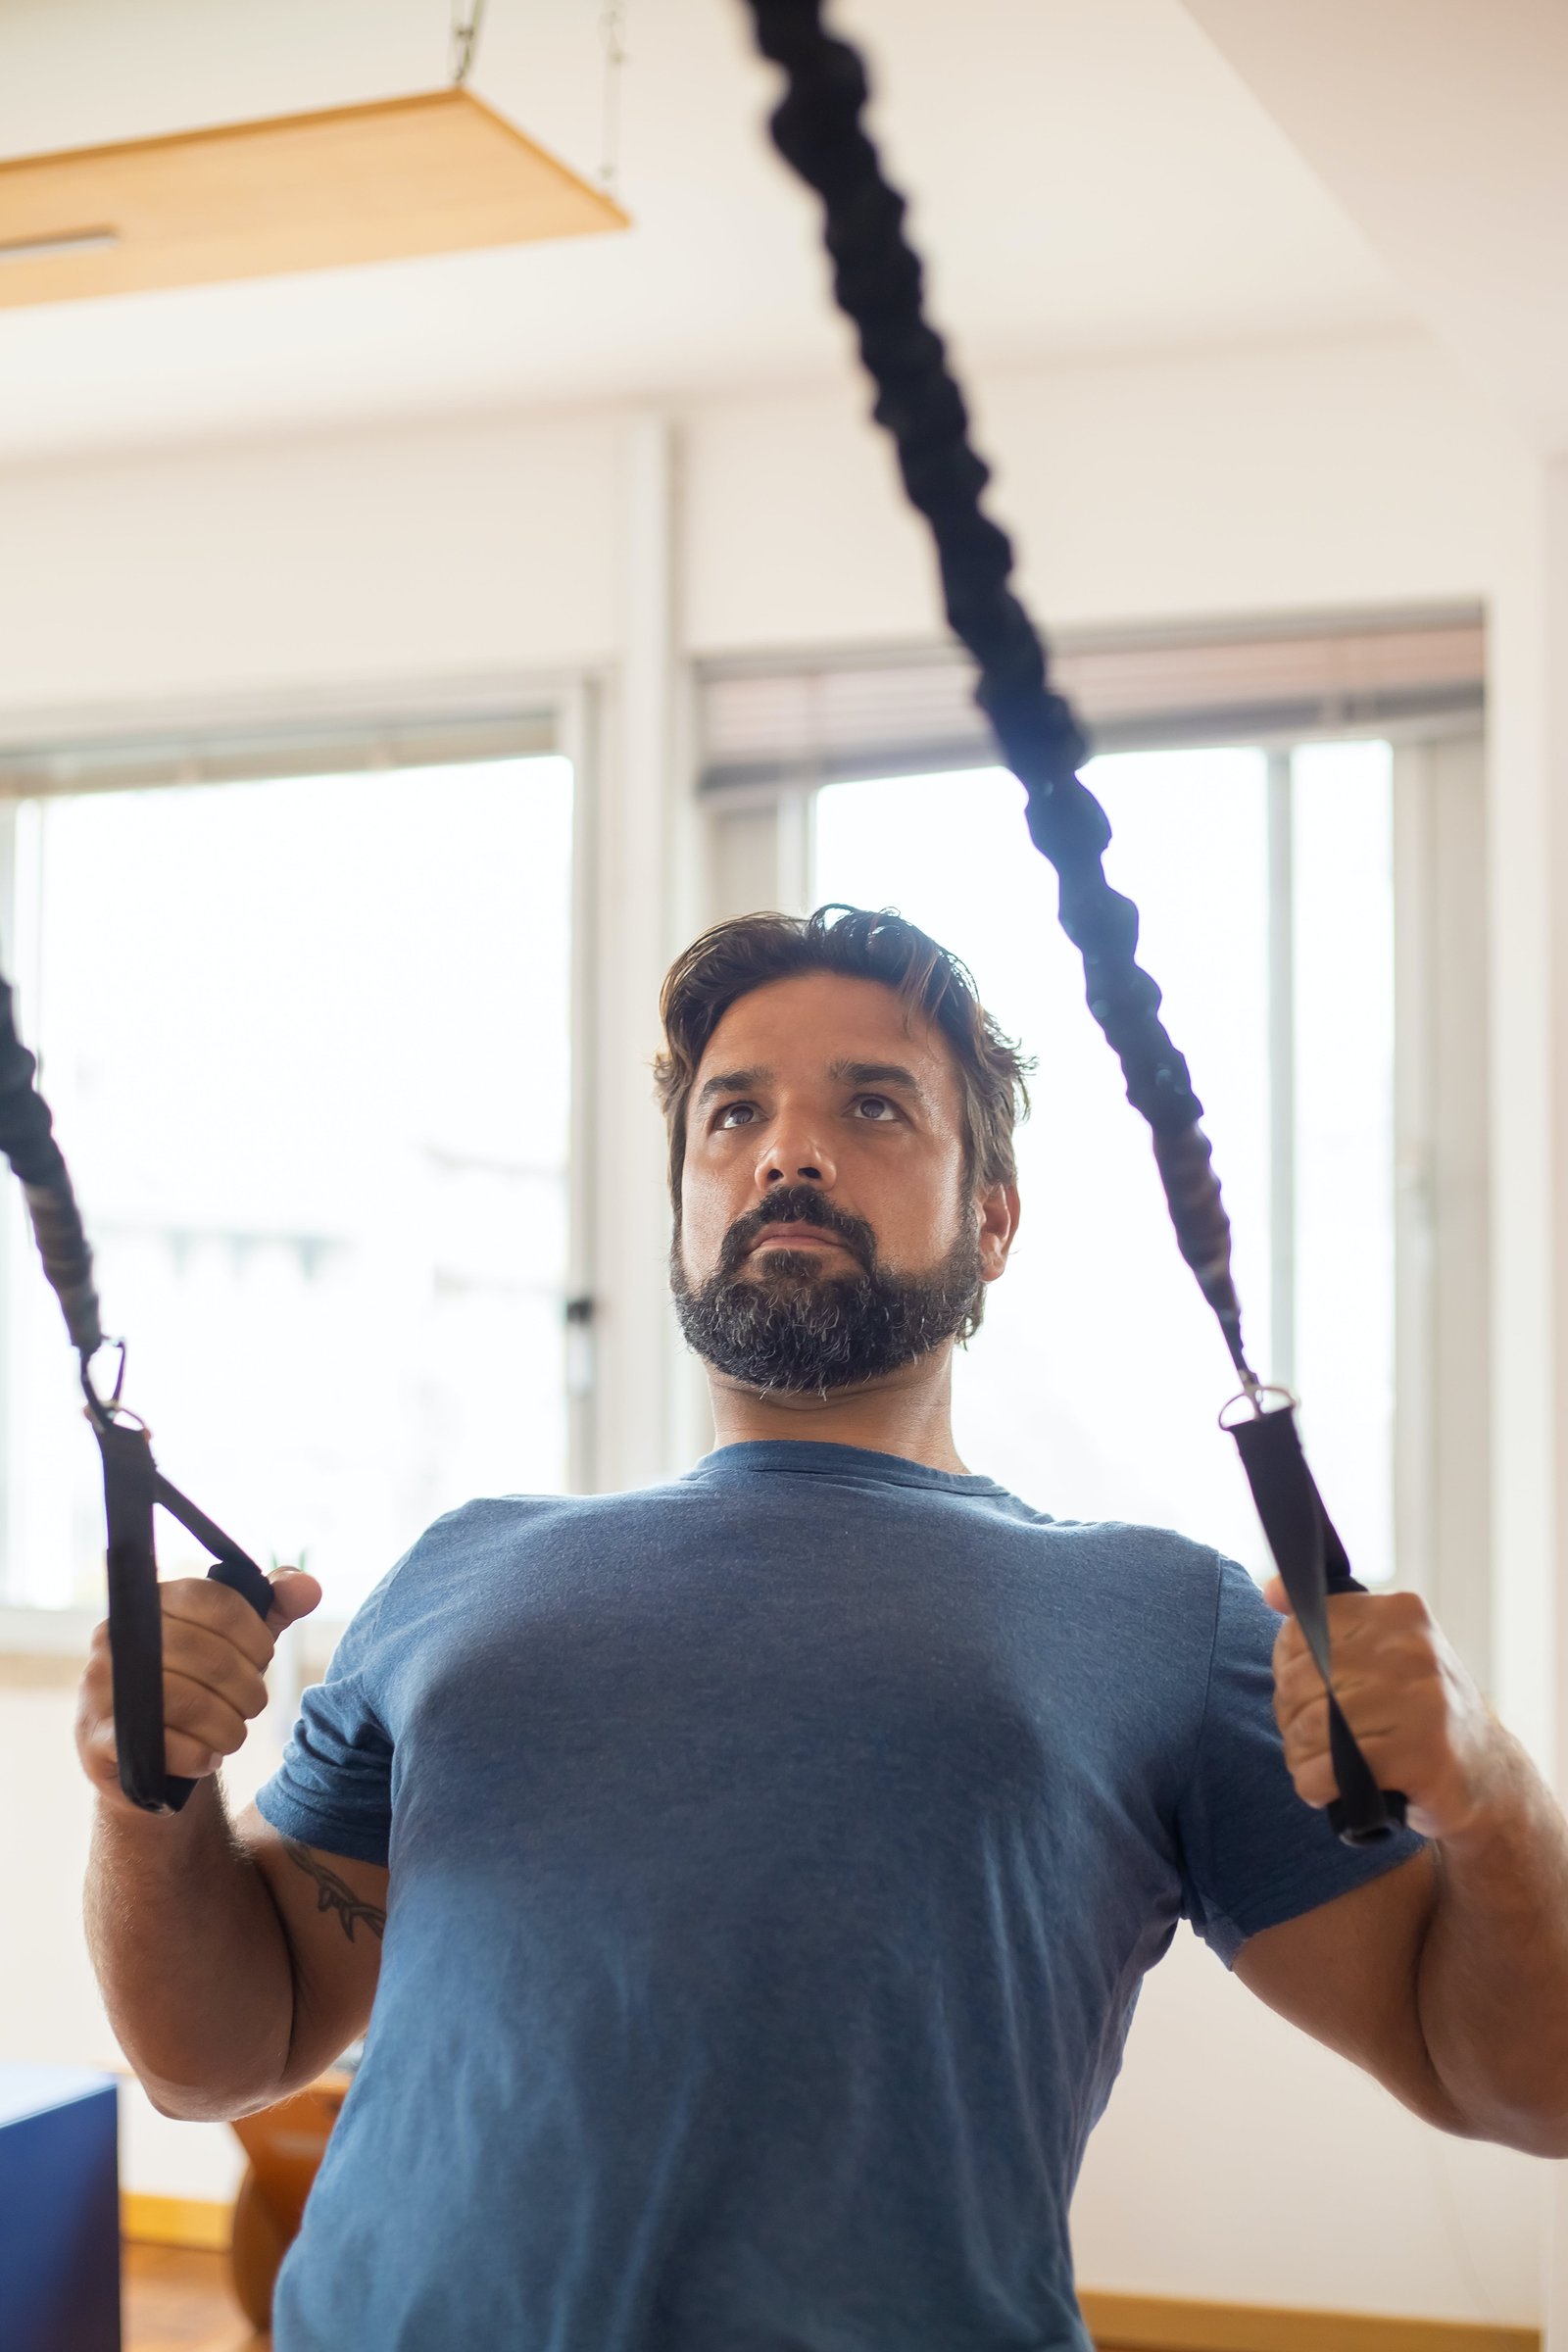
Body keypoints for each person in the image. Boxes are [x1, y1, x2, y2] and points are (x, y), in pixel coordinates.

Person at [78, 905, 1568, 2352]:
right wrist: (149, 1791)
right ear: (681, 1210)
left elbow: (1526, 2084)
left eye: (874, 1106)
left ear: (993, 1219)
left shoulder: (1160, 1615)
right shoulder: (458, 1570)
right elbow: (216, 2057)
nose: (787, 1150)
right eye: (733, 1114)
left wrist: (1494, 1796)